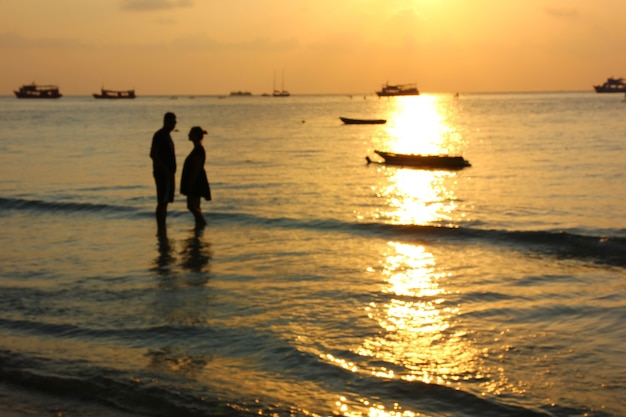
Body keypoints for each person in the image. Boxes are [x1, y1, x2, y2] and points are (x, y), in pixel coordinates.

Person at [150, 112, 177, 231]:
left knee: (165, 201)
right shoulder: (159, 135)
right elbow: (153, 154)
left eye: (175, 122)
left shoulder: (167, 135)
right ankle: (161, 227)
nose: (174, 124)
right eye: (173, 121)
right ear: (166, 121)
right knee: (162, 200)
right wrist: (165, 170)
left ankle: (162, 226)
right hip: (163, 174)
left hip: (169, 174)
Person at [180, 126, 211, 227]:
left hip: (196, 181)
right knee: (196, 206)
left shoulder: (198, 150)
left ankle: (202, 223)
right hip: (197, 180)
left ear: (195, 135)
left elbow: (196, 168)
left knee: (191, 206)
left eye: (190, 133)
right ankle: (198, 228)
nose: (188, 135)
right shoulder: (198, 149)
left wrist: (190, 184)